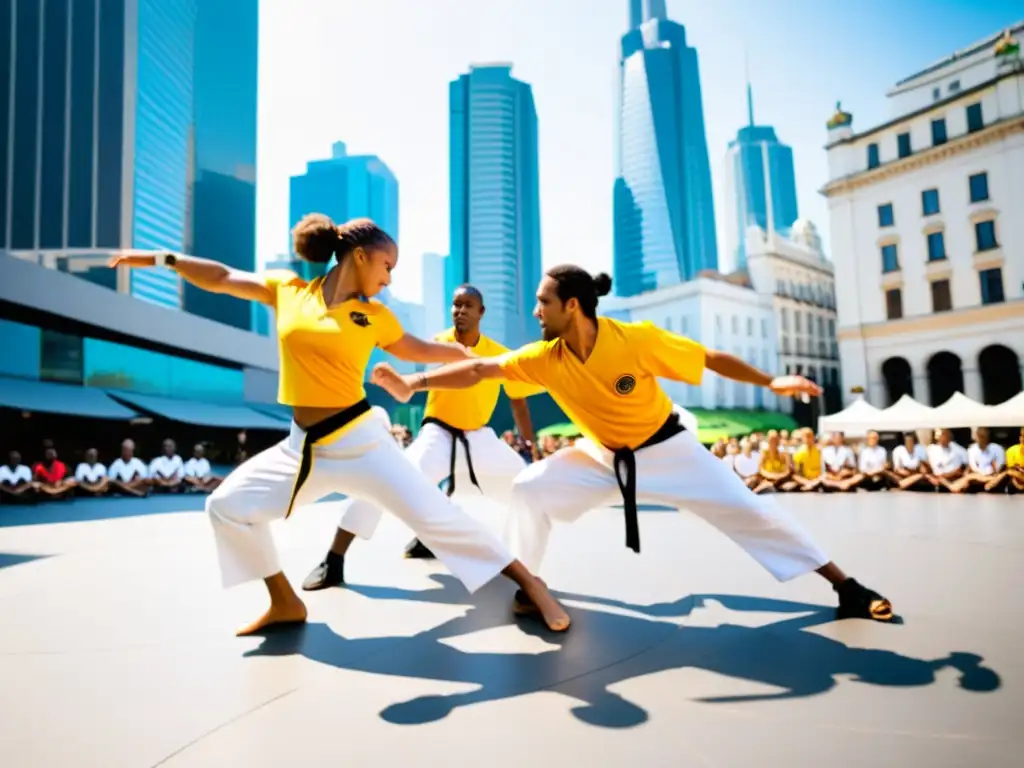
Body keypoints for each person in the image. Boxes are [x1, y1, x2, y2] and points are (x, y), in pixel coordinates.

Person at [107, 215, 569, 636]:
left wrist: (478, 358)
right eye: (387, 265)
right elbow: (225, 277)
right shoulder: (288, 290)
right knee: (225, 505)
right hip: (301, 447)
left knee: (436, 515)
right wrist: (161, 258)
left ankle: (532, 584)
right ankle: (285, 603)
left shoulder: (373, 315)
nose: (389, 278)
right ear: (361, 256)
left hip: (361, 441)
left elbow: (417, 350)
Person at [371, 265, 893, 622]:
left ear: (571, 305)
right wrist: (412, 385)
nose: (535, 311)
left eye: (542, 302)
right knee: (530, 489)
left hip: (668, 447)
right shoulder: (545, 357)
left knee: (750, 510)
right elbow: (481, 369)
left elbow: (708, 358)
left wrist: (771, 383)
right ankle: (530, 588)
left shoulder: (634, 340)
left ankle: (845, 586)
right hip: (602, 454)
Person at [302, 284, 543, 590]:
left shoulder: (498, 353)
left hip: (480, 438)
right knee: (385, 481)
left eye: (469, 305)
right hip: (438, 434)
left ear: (481, 312)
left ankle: (526, 571)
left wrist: (530, 443)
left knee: (527, 487)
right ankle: (333, 560)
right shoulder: (440, 344)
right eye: (456, 305)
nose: (461, 311)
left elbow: (517, 398)